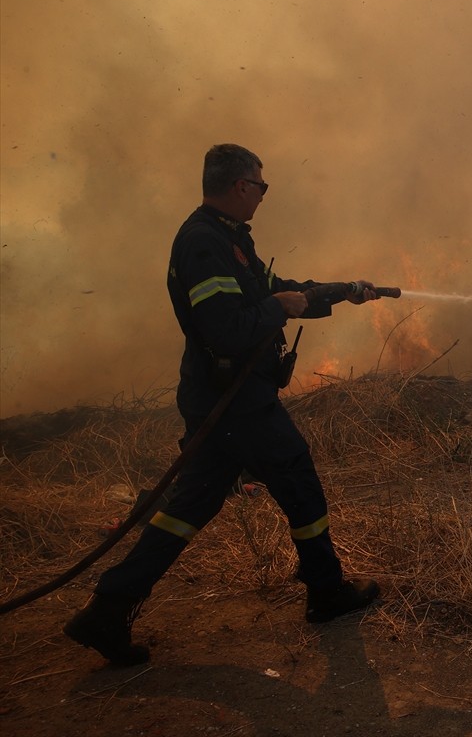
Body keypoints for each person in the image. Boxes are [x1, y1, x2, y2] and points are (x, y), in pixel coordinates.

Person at [64, 144, 380, 665]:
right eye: (261, 185)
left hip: (225, 399)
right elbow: (226, 329)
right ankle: (326, 592)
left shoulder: (229, 240)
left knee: (191, 505)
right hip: (234, 402)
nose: (263, 195)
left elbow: (277, 290)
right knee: (297, 476)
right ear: (240, 186)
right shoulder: (203, 243)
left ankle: (107, 609)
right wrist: (276, 309)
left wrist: (343, 291)